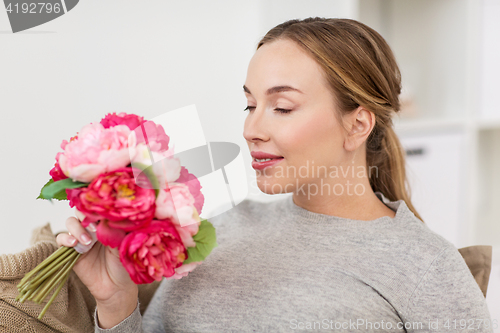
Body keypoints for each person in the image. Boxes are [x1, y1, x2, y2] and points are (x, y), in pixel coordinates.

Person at [56, 18, 494, 332]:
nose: (251, 129)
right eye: (250, 105)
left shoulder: (425, 265)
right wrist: (116, 305)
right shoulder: (219, 232)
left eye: (282, 108)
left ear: (358, 124)